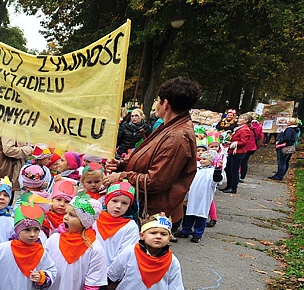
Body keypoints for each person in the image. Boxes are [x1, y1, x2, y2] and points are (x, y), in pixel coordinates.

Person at [103, 77, 201, 226]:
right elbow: (150, 160)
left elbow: (155, 181)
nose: (156, 104)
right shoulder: (171, 128)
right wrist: (122, 165)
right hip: (149, 207)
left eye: (157, 100)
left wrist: (123, 175)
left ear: (166, 104)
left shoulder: (177, 137)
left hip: (154, 212)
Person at [78, 182, 140, 290]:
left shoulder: (130, 227)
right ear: (106, 201)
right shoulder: (96, 218)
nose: (118, 206)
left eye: (124, 203)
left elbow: (125, 254)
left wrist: (114, 276)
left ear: (130, 206)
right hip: (91, 268)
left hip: (110, 272)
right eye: (114, 201)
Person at [177, 151, 222, 242]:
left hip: (203, 198)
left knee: (200, 216)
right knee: (189, 214)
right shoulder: (196, 169)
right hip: (192, 196)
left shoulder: (212, 171)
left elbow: (216, 180)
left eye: (205, 159)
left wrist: (217, 171)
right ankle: (185, 230)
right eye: (201, 159)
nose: (202, 161)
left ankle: (197, 234)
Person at [221, 112, 254, 194]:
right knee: (228, 169)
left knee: (234, 170)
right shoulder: (239, 128)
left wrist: (235, 143)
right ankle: (228, 185)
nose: (238, 119)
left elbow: (244, 142)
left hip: (238, 152)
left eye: (241, 118)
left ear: (246, 121)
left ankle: (233, 188)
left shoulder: (245, 129)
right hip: (233, 151)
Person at [240, 112, 262, 181]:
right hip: (252, 146)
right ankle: (242, 176)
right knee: (245, 161)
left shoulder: (246, 126)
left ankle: (239, 175)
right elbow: (260, 136)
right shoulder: (259, 126)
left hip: (245, 145)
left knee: (241, 161)